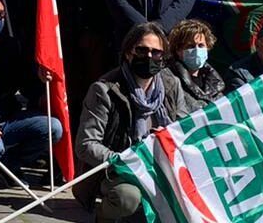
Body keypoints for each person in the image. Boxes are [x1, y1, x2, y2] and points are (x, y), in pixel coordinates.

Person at [75, 22, 196, 221]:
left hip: (162, 166)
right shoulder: (104, 89)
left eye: (156, 52)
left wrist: (165, 138)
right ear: (128, 53)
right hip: (118, 169)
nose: (149, 56)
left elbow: (182, 130)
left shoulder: (171, 84)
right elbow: (86, 144)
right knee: (127, 197)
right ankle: (104, 217)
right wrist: (126, 160)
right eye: (142, 50)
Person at [0, 0, 63, 173]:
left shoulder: (11, 46)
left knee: (53, 127)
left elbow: (25, 84)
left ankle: (9, 166)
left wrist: (41, 83)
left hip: (8, 118)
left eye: (0, 14)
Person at [168, 19, 226, 104]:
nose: (197, 50)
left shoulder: (216, 83)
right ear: (178, 50)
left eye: (201, 45)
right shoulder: (170, 81)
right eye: (190, 46)